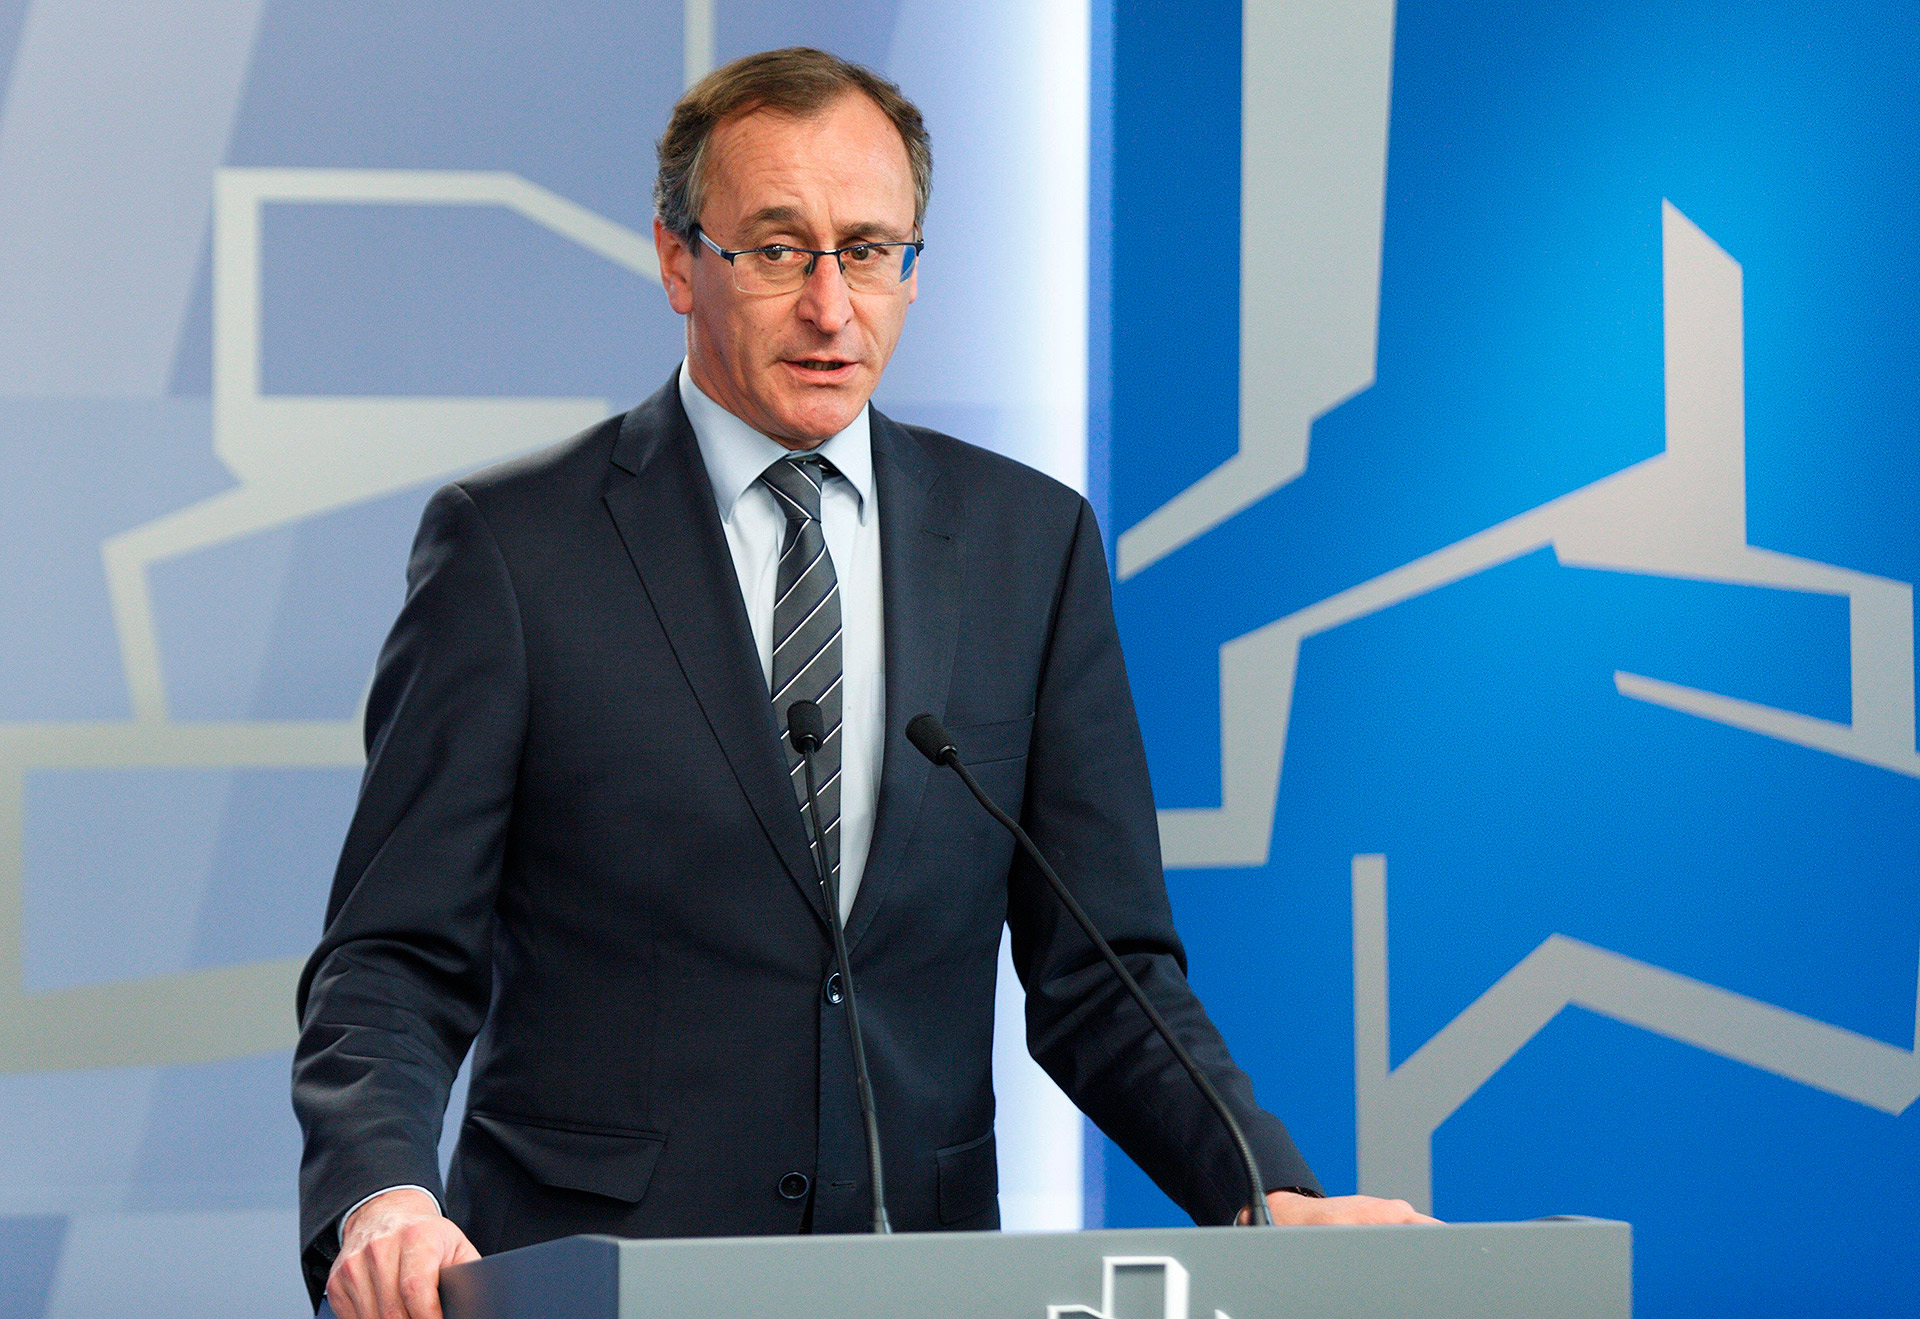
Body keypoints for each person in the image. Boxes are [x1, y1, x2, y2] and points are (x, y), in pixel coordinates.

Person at [293, 46, 1433, 1319]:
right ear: (678, 261)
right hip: (598, 1276)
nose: (833, 307)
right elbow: (393, 955)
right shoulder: (515, 551)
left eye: (871, 251)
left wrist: (1263, 1191)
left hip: (916, 1274)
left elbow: (1106, 972)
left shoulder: (1027, 545)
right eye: (779, 250)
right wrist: (384, 1194)